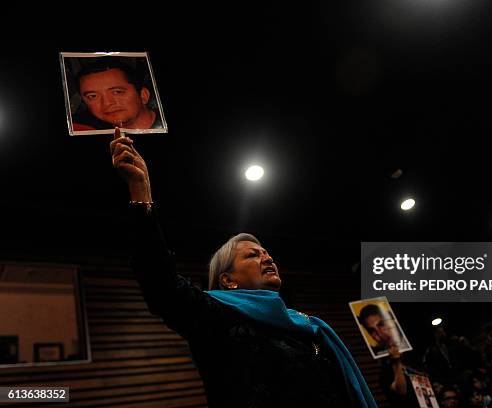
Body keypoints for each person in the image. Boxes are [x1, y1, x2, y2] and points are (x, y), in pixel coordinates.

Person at [109, 128, 376, 407]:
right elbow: (160, 282)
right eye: (252, 255)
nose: (268, 258)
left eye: (266, 253)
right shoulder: (216, 319)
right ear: (228, 280)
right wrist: (141, 191)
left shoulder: (304, 324)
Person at [74, 60, 161, 131]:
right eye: (93, 96)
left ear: (143, 95)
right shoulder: (84, 129)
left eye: (117, 92)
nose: (107, 103)